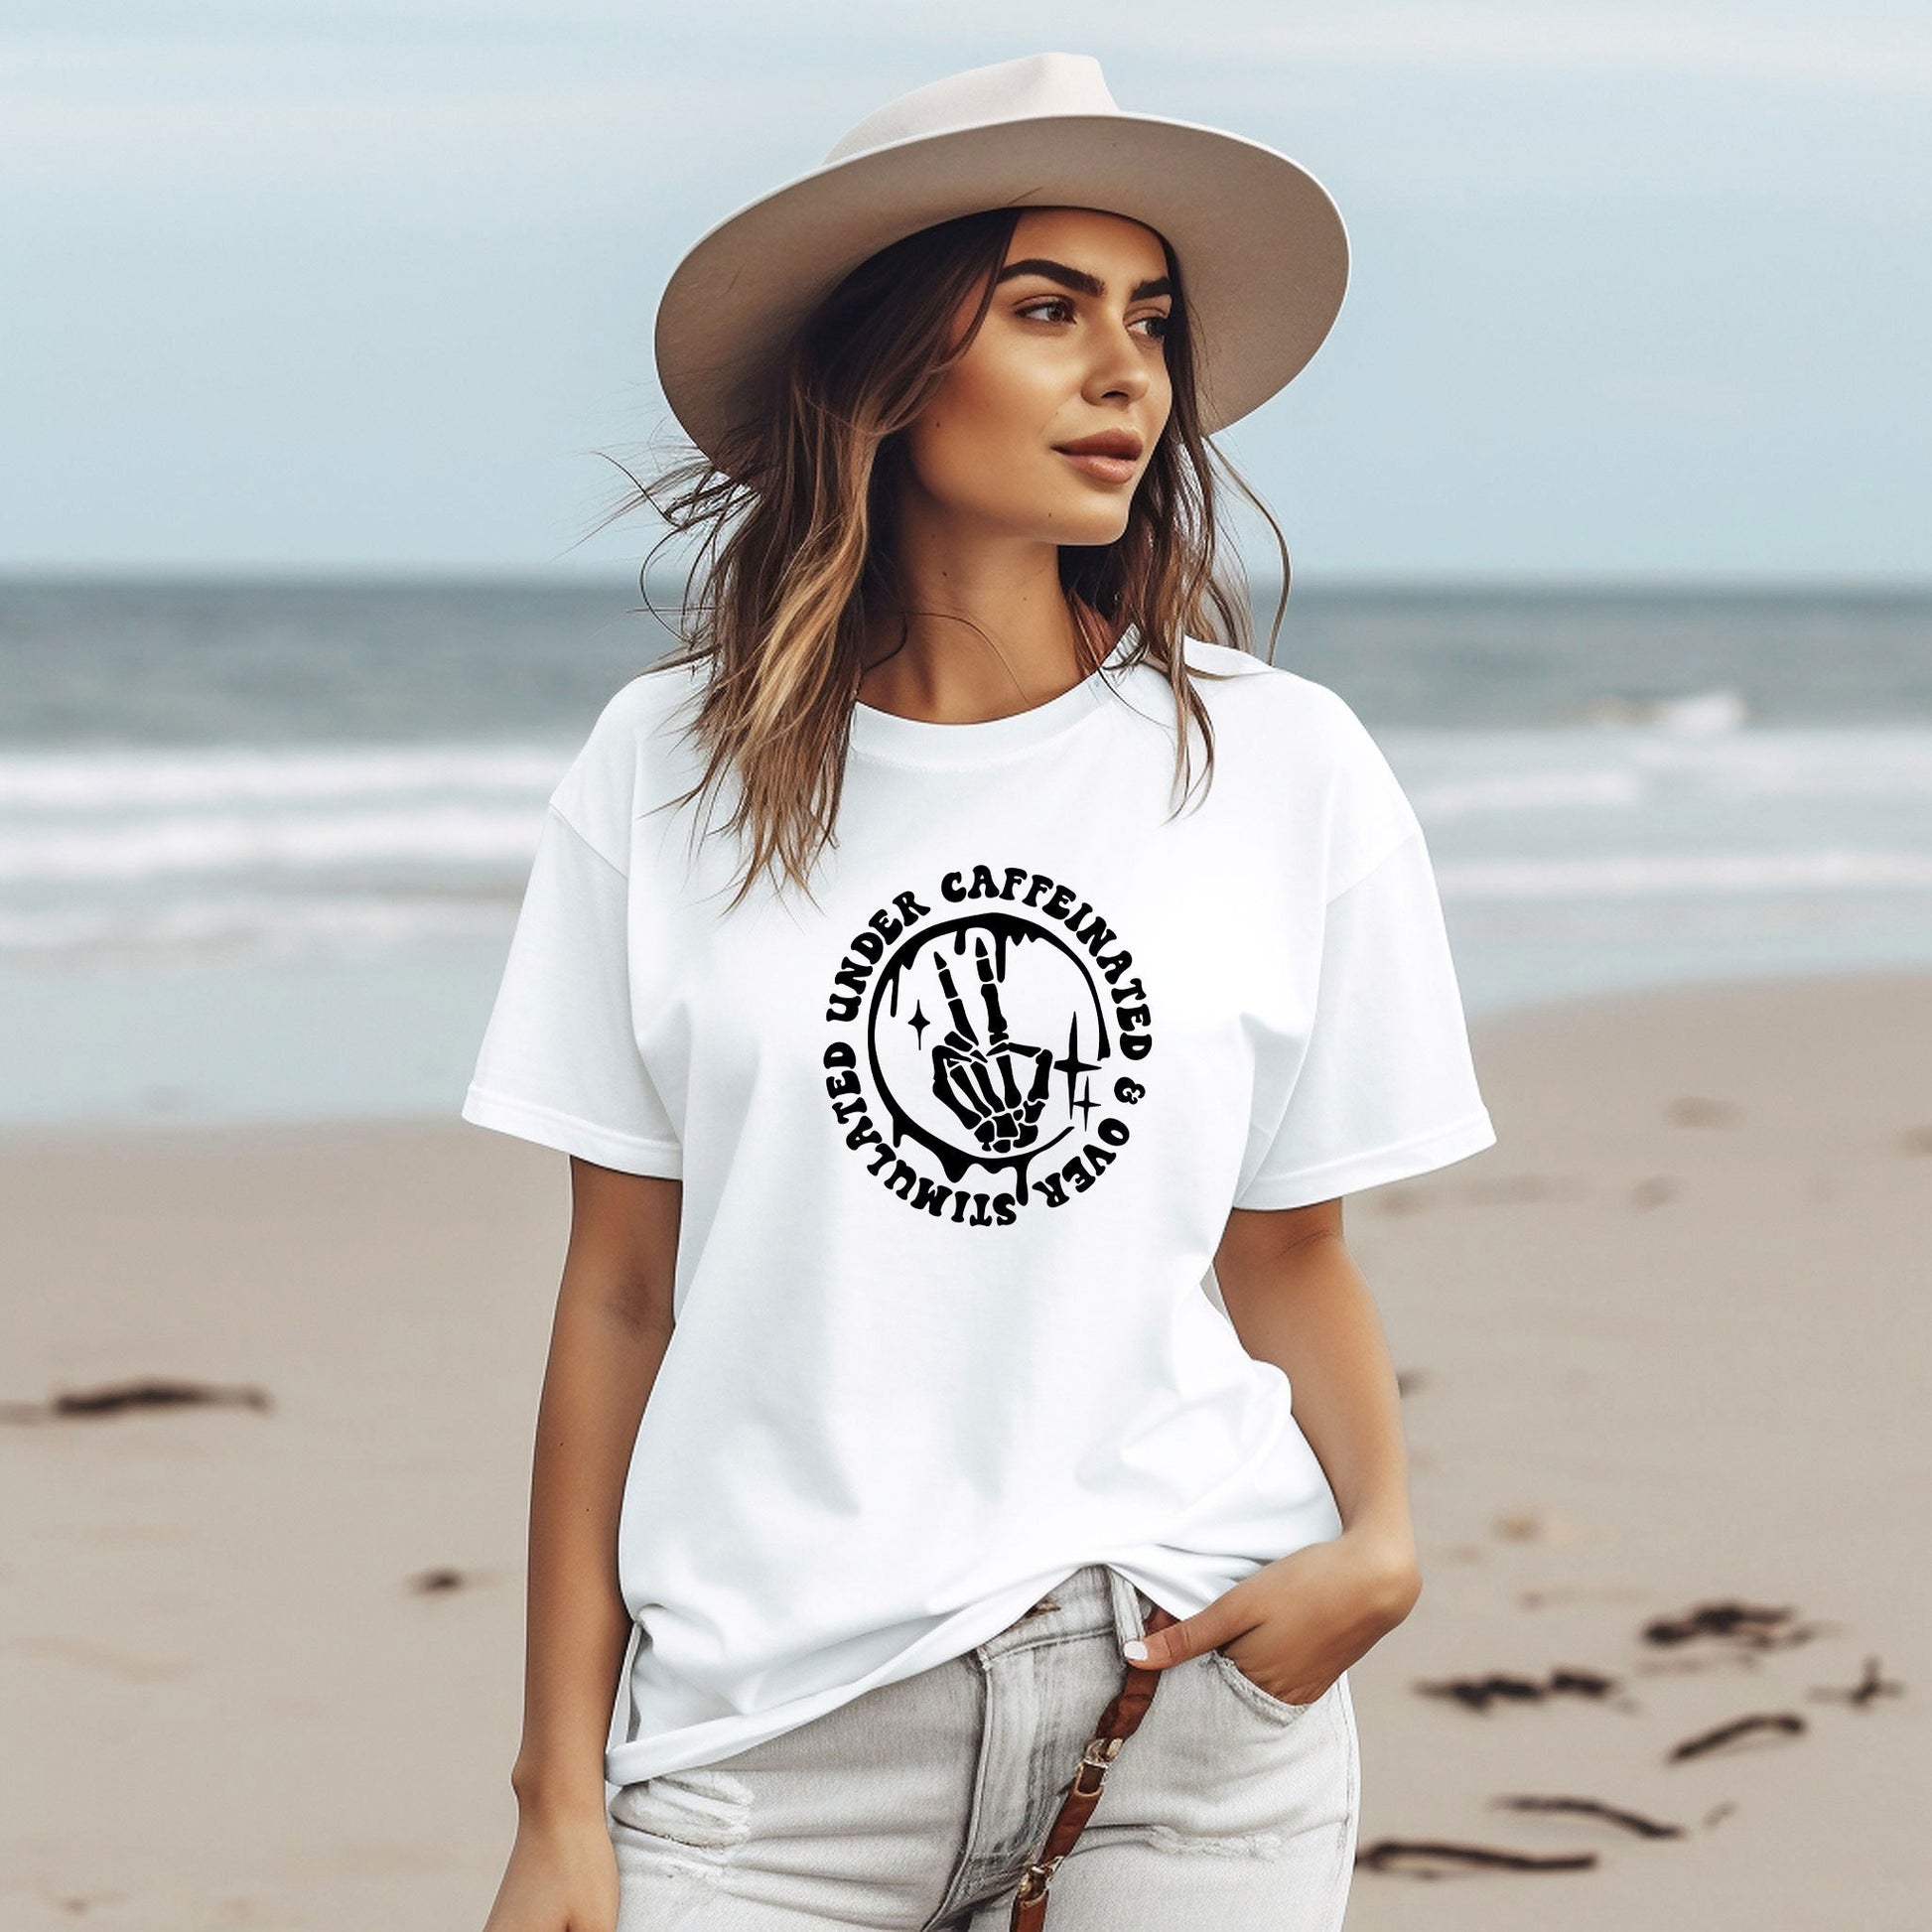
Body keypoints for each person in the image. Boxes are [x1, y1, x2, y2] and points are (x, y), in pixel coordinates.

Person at [463, 51, 1496, 1932]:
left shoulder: (1280, 766)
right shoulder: (663, 769)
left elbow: (1287, 1250)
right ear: (885, 366)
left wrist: (1382, 1545)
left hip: (1183, 1699)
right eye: (1045, 309)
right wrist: (557, 1796)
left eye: (1150, 321)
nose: (1127, 374)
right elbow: (617, 1293)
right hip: (764, 1741)